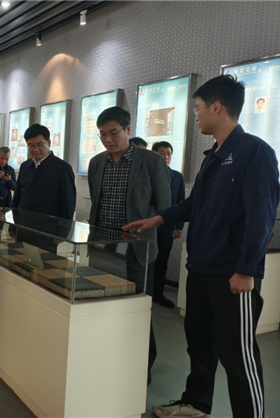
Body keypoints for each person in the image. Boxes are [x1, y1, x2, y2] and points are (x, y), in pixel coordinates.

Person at [123, 75, 279, 418]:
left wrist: (246, 270)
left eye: (198, 109)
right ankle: (195, 404)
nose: (196, 116)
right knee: (200, 344)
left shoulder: (255, 153)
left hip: (232, 276)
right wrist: (158, 219)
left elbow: (262, 218)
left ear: (216, 107)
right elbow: (194, 205)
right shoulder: (213, 156)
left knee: (239, 356)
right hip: (201, 269)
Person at [87, 106, 170, 381]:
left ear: (129, 130)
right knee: (103, 304)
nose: (108, 139)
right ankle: (108, 358)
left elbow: (164, 207)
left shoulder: (151, 161)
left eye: (114, 133)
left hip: (137, 248)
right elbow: (96, 203)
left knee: (137, 308)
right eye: (102, 134)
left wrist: (147, 226)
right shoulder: (97, 162)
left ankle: (141, 365)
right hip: (104, 248)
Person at [11, 124, 76, 253]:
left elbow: (68, 202)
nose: (35, 149)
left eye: (40, 145)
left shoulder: (62, 168)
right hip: (23, 227)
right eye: (31, 145)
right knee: (19, 260)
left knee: (45, 263)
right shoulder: (25, 166)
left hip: (47, 230)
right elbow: (17, 197)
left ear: (49, 143)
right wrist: (13, 225)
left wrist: (62, 232)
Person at [151, 141, 185, 308]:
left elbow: (181, 202)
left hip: (167, 227)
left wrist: (179, 226)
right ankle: (143, 291)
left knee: (162, 261)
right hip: (148, 226)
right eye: (161, 153)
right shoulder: (148, 173)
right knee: (147, 261)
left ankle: (158, 293)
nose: (166, 157)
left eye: (169, 154)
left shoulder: (177, 176)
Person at [0, 147, 17, 238]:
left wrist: (9, 181)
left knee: (2, 223)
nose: (4, 161)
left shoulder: (10, 170)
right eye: (2, 158)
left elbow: (15, 187)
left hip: (5, 201)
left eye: (7, 159)